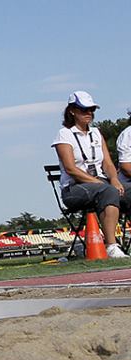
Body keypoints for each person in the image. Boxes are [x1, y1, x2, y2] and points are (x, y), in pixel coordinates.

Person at [52, 91, 129, 258]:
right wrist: (101, 183)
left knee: (123, 190)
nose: (89, 113)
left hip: (101, 182)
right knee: (108, 191)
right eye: (84, 110)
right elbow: (71, 169)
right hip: (75, 188)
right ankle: (111, 246)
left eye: (91, 110)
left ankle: (118, 243)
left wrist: (114, 179)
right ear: (72, 111)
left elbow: (107, 164)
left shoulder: (96, 132)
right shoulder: (64, 134)